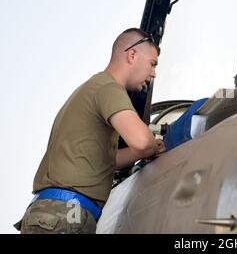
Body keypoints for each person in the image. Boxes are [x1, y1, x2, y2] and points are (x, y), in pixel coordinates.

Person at [15, 28, 165, 234]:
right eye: (152, 63)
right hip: (65, 216)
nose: (153, 73)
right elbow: (142, 141)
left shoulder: (93, 88)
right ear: (132, 55)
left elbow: (106, 161)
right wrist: (150, 145)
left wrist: (142, 152)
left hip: (57, 214)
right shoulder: (109, 88)